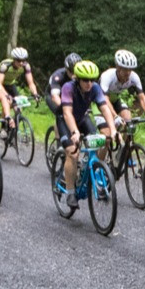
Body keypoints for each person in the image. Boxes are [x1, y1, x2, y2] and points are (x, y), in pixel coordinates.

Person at [55, 60, 120, 210]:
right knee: (72, 152)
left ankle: (89, 168)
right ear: (77, 79)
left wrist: (113, 129)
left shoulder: (95, 88)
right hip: (65, 120)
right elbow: (67, 113)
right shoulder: (68, 87)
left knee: (102, 140)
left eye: (91, 80)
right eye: (85, 80)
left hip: (83, 118)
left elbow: (104, 109)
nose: (89, 83)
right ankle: (70, 192)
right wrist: (75, 132)